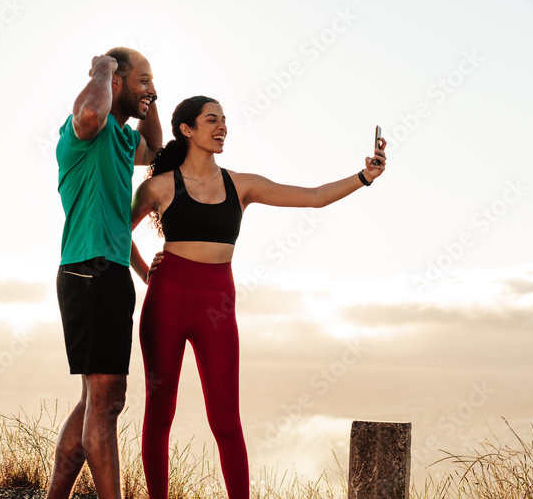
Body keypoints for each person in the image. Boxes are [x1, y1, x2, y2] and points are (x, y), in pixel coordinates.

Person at [129, 96, 386, 499]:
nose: (222, 127)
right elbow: (116, 231)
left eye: (225, 121)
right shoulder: (157, 187)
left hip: (217, 304)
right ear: (186, 130)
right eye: (211, 120)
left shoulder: (240, 184)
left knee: (227, 420)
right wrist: (146, 274)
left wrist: (364, 176)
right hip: (167, 300)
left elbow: (314, 196)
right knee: (160, 414)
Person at [49, 48, 162, 499]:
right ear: (116, 81)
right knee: (108, 404)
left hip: (108, 275)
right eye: (143, 80)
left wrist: (150, 94)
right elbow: (92, 111)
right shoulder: (83, 132)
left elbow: (156, 150)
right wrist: (103, 68)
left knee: (94, 402)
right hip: (89, 275)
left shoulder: (120, 139)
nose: (150, 88)